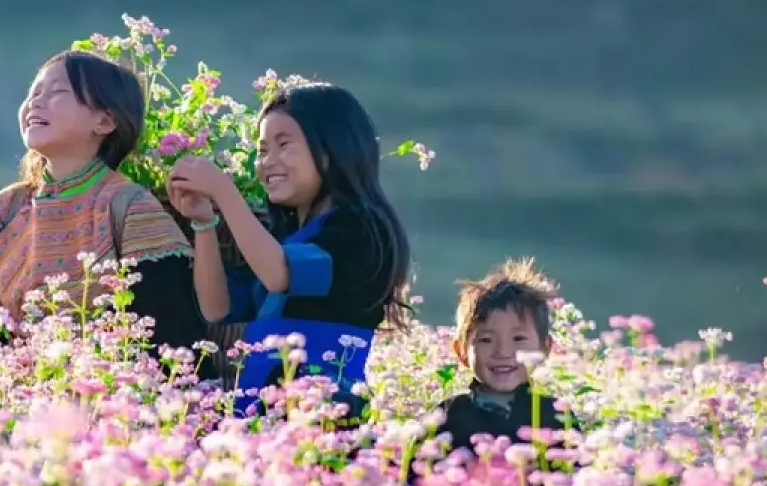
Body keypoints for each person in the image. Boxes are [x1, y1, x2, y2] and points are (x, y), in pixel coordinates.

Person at [166, 82, 412, 418]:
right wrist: (204, 224)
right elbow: (217, 307)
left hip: (322, 414)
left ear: (332, 149)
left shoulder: (360, 228)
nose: (268, 161)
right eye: (263, 150)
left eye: (284, 145)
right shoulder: (285, 239)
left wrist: (224, 190)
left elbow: (281, 275)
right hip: (259, 412)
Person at [0, 50, 208, 364]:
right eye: (33, 93)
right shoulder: (4, 210)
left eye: (58, 92)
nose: (35, 102)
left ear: (104, 121)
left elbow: (168, 337)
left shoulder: (131, 208)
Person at [435, 257, 574, 454]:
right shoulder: (450, 414)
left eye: (518, 339)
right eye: (486, 340)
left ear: (544, 348)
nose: (502, 352)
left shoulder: (556, 415)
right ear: (461, 351)